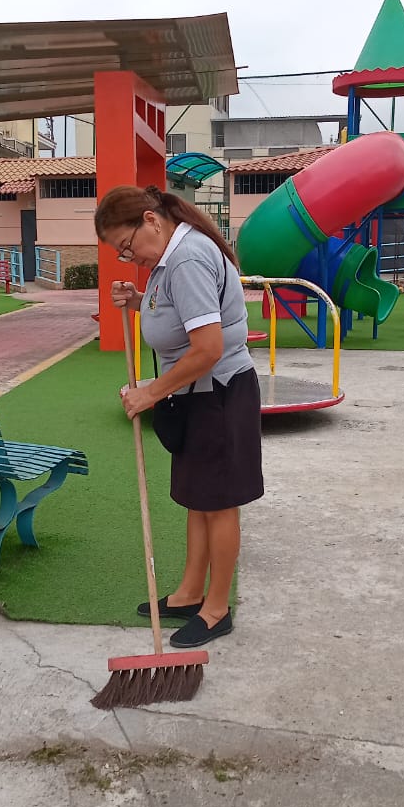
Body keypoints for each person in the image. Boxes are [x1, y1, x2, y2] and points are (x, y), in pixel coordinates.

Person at [94, 183, 264, 649]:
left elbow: (207, 348)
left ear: (150, 220)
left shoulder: (187, 258)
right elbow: (175, 311)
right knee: (198, 499)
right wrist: (138, 300)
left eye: (126, 245)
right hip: (197, 395)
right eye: (121, 253)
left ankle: (216, 608)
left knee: (219, 503)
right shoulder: (172, 256)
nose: (129, 257)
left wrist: (149, 393)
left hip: (218, 394)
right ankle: (190, 593)